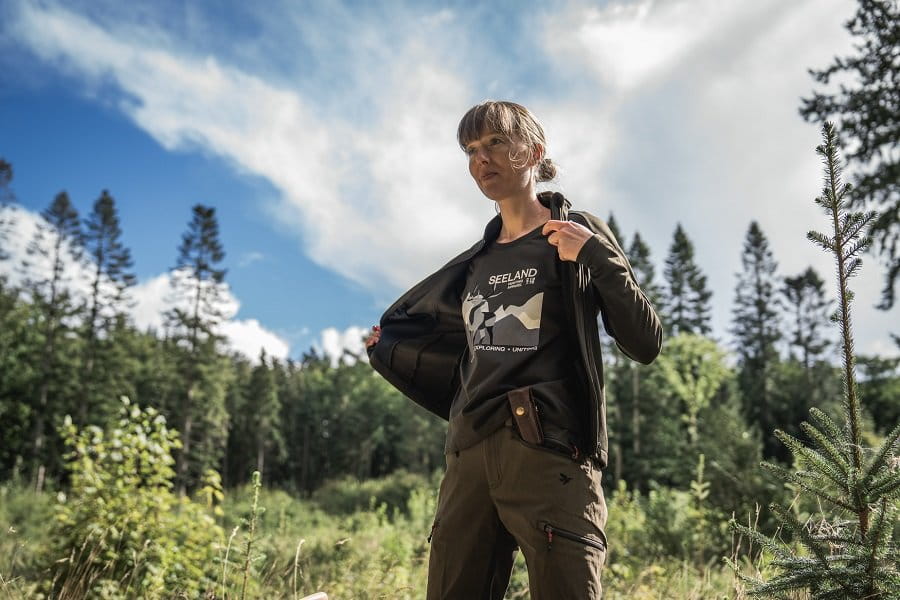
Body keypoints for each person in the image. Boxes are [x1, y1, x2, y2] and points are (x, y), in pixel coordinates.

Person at [365, 100, 663, 599]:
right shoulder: (475, 264)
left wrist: (593, 254)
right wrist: (391, 346)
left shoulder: (574, 232)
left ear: (534, 151)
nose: (481, 158)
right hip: (468, 457)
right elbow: (466, 355)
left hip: (550, 451)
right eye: (471, 150)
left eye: (496, 142)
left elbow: (645, 342)